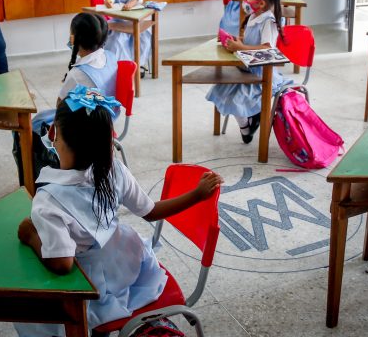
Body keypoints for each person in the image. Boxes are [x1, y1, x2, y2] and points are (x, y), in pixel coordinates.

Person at [15, 85, 223, 336]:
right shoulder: (114, 170)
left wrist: (31, 237)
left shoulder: (47, 201)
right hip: (127, 264)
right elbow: (151, 211)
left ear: (52, 133)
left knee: (27, 309)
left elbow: (62, 263)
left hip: (91, 286)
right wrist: (196, 195)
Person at [13, 12, 117, 184]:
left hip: (83, 127)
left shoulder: (78, 74)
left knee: (27, 128)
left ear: (74, 38)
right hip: (106, 118)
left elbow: (60, 112)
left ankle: (33, 181)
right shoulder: (111, 57)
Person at [206, 0, 291, 144]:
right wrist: (236, 41)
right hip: (245, 69)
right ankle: (249, 123)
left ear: (261, 3)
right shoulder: (254, 15)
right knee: (219, 91)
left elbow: (266, 48)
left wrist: (241, 47)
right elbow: (250, 40)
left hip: (260, 74)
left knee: (235, 100)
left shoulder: (268, 21)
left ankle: (247, 127)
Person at [102, 0, 151, 78]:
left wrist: (131, 3)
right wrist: (108, 2)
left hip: (134, 20)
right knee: (117, 39)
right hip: (118, 21)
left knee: (145, 36)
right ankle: (120, 66)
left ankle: (140, 64)